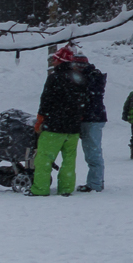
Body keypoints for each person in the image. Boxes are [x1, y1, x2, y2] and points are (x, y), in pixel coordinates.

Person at [31, 48, 90, 196]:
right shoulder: (79, 78)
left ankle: (40, 189)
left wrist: (40, 120)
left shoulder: (54, 78)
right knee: (69, 161)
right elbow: (85, 101)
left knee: (44, 159)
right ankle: (66, 189)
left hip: (54, 127)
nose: (53, 61)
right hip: (73, 129)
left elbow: (46, 101)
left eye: (55, 58)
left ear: (59, 61)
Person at [75, 53, 108, 192]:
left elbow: (85, 99)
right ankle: (96, 181)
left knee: (93, 152)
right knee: (93, 150)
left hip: (90, 119)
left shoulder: (87, 79)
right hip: (95, 118)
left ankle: (95, 184)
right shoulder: (94, 76)